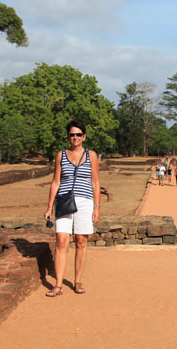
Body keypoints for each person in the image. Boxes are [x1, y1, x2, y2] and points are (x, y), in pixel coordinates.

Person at [44, 120, 101, 297]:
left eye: (78, 134)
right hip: (64, 200)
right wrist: (49, 207)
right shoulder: (61, 155)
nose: (74, 137)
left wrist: (97, 207)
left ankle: (77, 281)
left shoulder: (90, 155)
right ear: (68, 137)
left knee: (81, 241)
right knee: (61, 241)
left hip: (84, 201)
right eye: (71, 134)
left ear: (83, 136)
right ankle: (59, 284)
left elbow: (95, 182)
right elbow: (56, 182)